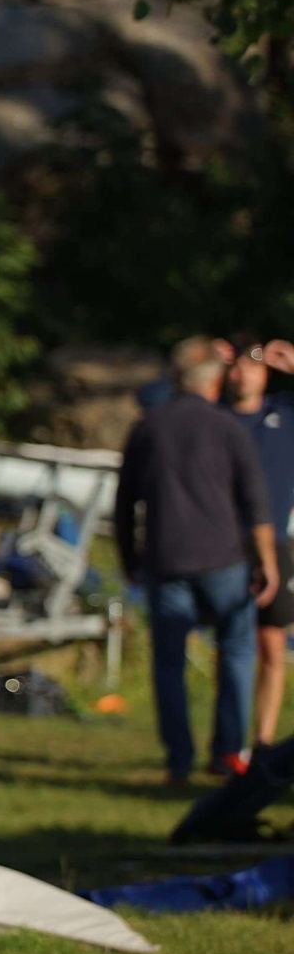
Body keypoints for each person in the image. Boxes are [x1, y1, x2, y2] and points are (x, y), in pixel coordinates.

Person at [117, 336, 280, 783]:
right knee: (237, 651)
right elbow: (255, 502)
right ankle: (228, 752)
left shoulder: (148, 427)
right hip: (223, 560)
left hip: (165, 559)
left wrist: (130, 559)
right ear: (216, 381)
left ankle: (179, 759)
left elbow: (125, 503)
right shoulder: (227, 427)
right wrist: (267, 562)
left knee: (169, 663)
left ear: (175, 378)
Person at [225, 335, 294, 747]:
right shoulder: (214, 417)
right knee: (231, 643)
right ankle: (228, 744)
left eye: (252, 365)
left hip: (274, 545)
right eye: (235, 366)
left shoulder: (283, 414)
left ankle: (263, 742)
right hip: (222, 545)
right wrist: (202, 357)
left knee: (271, 643)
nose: (243, 374)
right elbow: (153, 399)